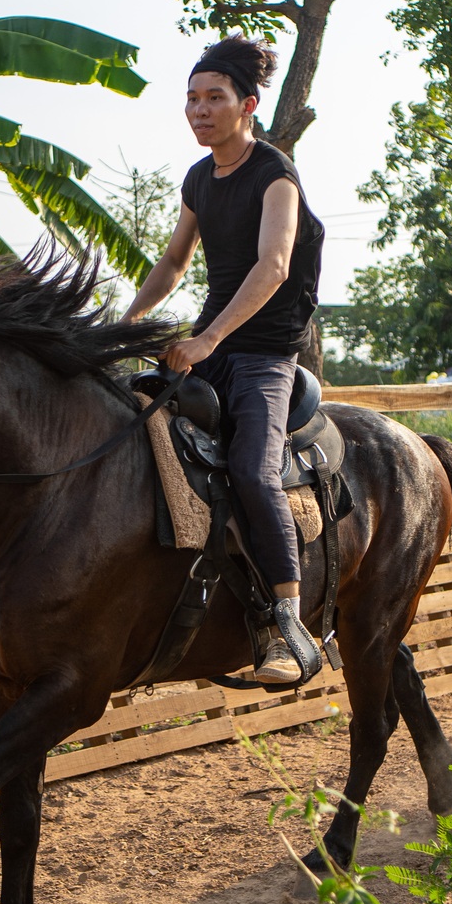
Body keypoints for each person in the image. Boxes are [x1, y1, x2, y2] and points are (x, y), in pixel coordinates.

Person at [125, 36, 326, 683]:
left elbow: (273, 266)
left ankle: (287, 623)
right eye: (191, 98)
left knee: (251, 468)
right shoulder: (198, 179)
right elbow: (174, 262)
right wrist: (124, 325)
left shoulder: (276, 176)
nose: (198, 110)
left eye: (214, 98)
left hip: (264, 354)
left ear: (248, 105)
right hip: (211, 345)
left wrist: (209, 340)